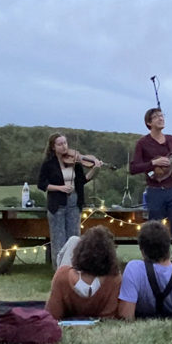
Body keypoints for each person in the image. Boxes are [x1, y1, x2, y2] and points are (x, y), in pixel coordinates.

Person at [129, 108, 172, 262]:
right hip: (155, 191)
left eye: (162, 115)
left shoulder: (171, 140)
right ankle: (154, 263)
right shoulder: (143, 143)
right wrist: (154, 162)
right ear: (148, 123)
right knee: (155, 232)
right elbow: (133, 168)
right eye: (156, 117)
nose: (160, 118)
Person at [38, 133, 102, 269]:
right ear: (53, 147)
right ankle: (60, 271)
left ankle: (74, 269)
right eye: (60, 144)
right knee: (58, 240)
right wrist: (60, 188)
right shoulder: (49, 163)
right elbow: (42, 184)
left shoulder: (75, 162)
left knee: (74, 238)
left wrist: (95, 169)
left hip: (74, 202)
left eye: (65, 143)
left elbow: (82, 181)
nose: (64, 146)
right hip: (57, 203)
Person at [46, 226, 121, 320]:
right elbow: (109, 316)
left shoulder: (62, 276)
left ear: (80, 250)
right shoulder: (114, 279)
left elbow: (52, 314)